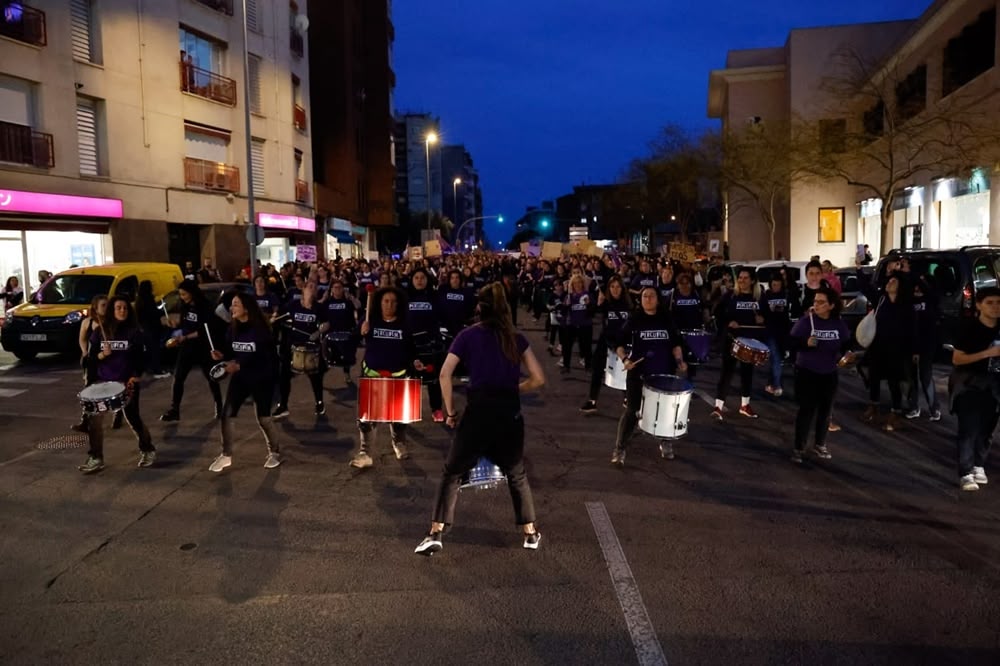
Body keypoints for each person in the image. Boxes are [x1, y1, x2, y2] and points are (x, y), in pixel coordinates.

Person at [415, 283, 545, 555]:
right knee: (516, 473)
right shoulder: (515, 338)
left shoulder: (467, 335)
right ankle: (530, 533)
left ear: (479, 307)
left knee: (452, 472)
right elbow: (538, 378)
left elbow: (444, 374)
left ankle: (436, 532)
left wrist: (450, 412)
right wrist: (513, 388)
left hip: (479, 411)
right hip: (509, 413)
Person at [77, 296, 156, 474]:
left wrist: (136, 375)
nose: (122, 311)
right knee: (94, 420)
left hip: (126, 382)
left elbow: (143, 357)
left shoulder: (134, 333)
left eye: (125, 308)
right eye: (118, 308)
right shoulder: (100, 332)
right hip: (103, 382)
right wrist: (102, 355)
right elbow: (90, 359)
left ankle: (147, 449)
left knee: (133, 418)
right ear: (112, 311)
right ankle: (96, 457)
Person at [611, 286, 688, 464]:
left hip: (663, 373)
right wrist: (625, 360)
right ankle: (619, 449)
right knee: (631, 411)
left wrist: (679, 362)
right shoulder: (634, 319)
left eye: (651, 296)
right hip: (638, 373)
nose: (648, 299)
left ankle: (666, 441)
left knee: (667, 411)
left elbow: (676, 344)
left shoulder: (666, 319)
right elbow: (619, 344)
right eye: (644, 296)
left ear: (658, 299)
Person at [208, 293, 282, 472]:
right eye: (232, 305)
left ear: (246, 308)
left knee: (263, 418)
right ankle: (226, 455)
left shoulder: (261, 330)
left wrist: (239, 365)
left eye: (235, 305)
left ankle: (275, 452)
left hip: (262, 378)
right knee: (227, 414)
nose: (232, 308)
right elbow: (231, 351)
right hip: (241, 379)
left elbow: (267, 358)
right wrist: (222, 356)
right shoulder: (233, 328)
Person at [351, 287, 423, 468]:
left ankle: (398, 443)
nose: (389, 305)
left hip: (397, 377)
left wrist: (415, 361)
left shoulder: (405, 325)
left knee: (398, 416)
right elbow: (352, 339)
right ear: (379, 303)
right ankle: (365, 453)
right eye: (385, 301)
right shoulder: (369, 321)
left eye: (393, 301)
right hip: (372, 376)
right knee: (366, 417)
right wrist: (361, 330)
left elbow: (411, 349)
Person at [788, 287, 853, 463]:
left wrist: (849, 356)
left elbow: (847, 344)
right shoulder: (806, 321)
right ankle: (799, 447)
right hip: (807, 372)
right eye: (815, 301)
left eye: (821, 302)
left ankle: (820, 444)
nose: (816, 305)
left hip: (829, 373)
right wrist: (805, 342)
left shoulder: (838, 324)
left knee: (826, 411)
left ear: (831, 305)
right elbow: (791, 343)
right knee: (806, 410)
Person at [948, 286, 1000, 491]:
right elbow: (957, 359)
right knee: (968, 429)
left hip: (996, 385)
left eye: (998, 303)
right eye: (990, 303)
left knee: (988, 429)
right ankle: (966, 472)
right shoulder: (969, 328)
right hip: (969, 382)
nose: (995, 307)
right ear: (979, 305)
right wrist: (988, 353)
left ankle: (979, 465)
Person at [160, 280, 224, 422]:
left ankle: (219, 405)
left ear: (192, 292)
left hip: (202, 346)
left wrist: (186, 337)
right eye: (181, 294)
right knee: (178, 377)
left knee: (211, 377)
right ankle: (175, 409)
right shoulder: (185, 306)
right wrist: (175, 325)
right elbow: (185, 324)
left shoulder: (205, 307)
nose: (182, 297)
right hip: (187, 347)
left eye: (184, 294)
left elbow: (205, 330)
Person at [713, 268, 764, 420]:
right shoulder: (730, 295)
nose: (741, 281)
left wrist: (762, 319)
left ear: (752, 280)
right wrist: (729, 322)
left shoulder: (759, 297)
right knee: (727, 372)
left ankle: (745, 405)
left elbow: (767, 314)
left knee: (747, 372)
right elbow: (717, 312)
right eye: (740, 278)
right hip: (732, 339)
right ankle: (718, 406)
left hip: (750, 341)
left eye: (745, 278)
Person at [863, 276, 913, 431]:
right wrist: (858, 269)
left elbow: (913, 328)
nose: (889, 282)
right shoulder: (881, 299)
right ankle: (874, 406)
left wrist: (913, 350)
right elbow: (866, 288)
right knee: (874, 377)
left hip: (896, 348)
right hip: (878, 345)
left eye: (894, 281)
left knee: (894, 381)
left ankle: (895, 412)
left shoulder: (905, 304)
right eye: (889, 280)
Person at [274, 281, 327, 417]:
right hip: (293, 345)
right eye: (310, 287)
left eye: (315, 288)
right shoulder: (294, 305)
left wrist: (318, 332)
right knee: (284, 376)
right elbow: (280, 313)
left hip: (311, 346)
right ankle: (283, 405)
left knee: (316, 377)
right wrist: (274, 317)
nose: (313, 290)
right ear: (303, 290)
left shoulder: (319, 308)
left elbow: (326, 323)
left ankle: (319, 403)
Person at [580, 275, 631, 413]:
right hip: (606, 340)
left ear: (622, 288)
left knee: (625, 371)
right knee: (597, 369)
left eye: (618, 287)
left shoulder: (629, 304)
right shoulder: (606, 303)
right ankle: (592, 400)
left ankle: (627, 397)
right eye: (612, 287)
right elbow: (589, 314)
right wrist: (597, 303)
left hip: (623, 342)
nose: (615, 290)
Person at [71, 295, 115, 433]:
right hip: (92, 361)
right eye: (103, 305)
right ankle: (86, 421)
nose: (106, 308)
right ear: (95, 307)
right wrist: (85, 352)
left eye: (107, 305)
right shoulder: (88, 322)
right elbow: (82, 339)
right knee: (89, 390)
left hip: (108, 361)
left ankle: (117, 413)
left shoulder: (111, 322)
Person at [407, 268, 446, 422]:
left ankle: (436, 409)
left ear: (427, 280)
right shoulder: (405, 297)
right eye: (416, 277)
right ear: (412, 280)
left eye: (422, 277)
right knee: (411, 378)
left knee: (433, 378)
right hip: (411, 343)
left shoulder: (434, 296)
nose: (419, 280)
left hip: (431, 342)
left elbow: (441, 316)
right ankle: (409, 409)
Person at [905, 277, 942, 421]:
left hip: (926, 345)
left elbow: (929, 329)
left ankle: (934, 408)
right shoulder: (908, 302)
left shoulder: (930, 301)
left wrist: (921, 280)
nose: (917, 289)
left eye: (919, 287)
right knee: (911, 378)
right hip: (910, 345)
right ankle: (913, 407)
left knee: (926, 377)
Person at [322, 278, 359, 385]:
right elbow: (321, 313)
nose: (337, 289)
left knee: (346, 356)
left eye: (340, 287)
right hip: (331, 332)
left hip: (346, 332)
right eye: (335, 288)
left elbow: (358, 306)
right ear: (332, 290)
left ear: (343, 289)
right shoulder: (328, 302)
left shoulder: (347, 301)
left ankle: (346, 374)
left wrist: (352, 298)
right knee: (327, 354)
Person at [760, 275, 792, 397]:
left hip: (783, 331)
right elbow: (761, 311)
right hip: (770, 331)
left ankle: (770, 383)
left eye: (778, 284)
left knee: (778, 359)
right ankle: (777, 385)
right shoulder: (766, 296)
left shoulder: (786, 295)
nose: (776, 287)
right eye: (774, 285)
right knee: (776, 357)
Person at [135, 280, 168, 379]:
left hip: (145, 328)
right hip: (152, 328)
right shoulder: (148, 299)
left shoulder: (139, 300)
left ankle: (151, 368)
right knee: (155, 349)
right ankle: (157, 370)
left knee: (150, 349)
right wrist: (161, 311)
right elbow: (153, 313)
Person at [560, 274, 593, 372]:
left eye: (580, 283)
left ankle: (588, 365)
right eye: (575, 283)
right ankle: (566, 366)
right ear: (572, 285)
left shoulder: (587, 295)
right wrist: (566, 305)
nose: (578, 285)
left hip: (585, 325)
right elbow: (563, 312)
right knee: (567, 346)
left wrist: (589, 305)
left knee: (586, 346)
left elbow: (592, 312)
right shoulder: (569, 296)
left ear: (583, 284)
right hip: (572, 325)